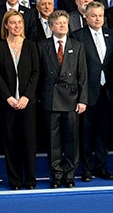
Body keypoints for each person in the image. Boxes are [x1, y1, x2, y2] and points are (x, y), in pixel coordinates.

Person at [38, 10, 88, 188]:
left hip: (72, 100)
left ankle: (69, 174)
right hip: (50, 99)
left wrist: (83, 100)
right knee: (53, 141)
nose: (62, 26)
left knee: (72, 140)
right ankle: (56, 175)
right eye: (58, 23)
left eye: (64, 23)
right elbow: (39, 75)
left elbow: (82, 75)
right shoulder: (41, 46)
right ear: (51, 26)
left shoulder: (77, 45)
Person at [0, 10, 40, 189]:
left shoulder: (31, 45)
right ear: (6, 25)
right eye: (12, 22)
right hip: (8, 103)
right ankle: (15, 180)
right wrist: (8, 97)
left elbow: (36, 72)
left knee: (28, 142)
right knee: (10, 143)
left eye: (19, 22)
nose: (17, 26)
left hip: (28, 103)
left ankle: (30, 179)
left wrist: (27, 96)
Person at [72, 1, 113, 182]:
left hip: (108, 92)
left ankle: (101, 166)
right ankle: (86, 169)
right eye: (94, 15)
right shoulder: (77, 36)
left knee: (104, 132)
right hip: (86, 93)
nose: (98, 19)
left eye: (100, 15)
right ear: (86, 17)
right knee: (86, 134)